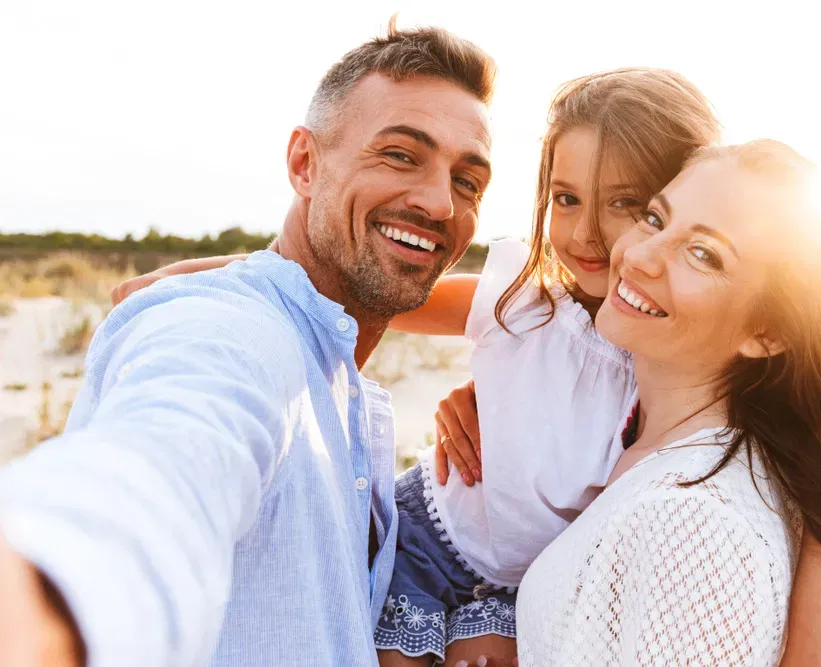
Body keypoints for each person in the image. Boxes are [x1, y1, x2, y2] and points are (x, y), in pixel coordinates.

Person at [118, 72, 821, 666]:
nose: (599, 238)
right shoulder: (530, 304)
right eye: (568, 200)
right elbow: (357, 288)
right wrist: (201, 282)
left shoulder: (691, 454)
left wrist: (820, 611)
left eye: (630, 205)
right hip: (435, 532)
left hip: (512, 580)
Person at [0, 22, 497, 667]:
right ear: (304, 163)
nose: (438, 201)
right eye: (400, 154)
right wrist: (53, 591)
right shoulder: (234, 332)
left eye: (468, 181)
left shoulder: (346, 391)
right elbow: (175, 447)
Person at [515, 139, 821, 665]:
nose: (639, 256)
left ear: (767, 332)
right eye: (653, 218)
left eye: (703, 254)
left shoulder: (691, 521)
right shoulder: (649, 443)